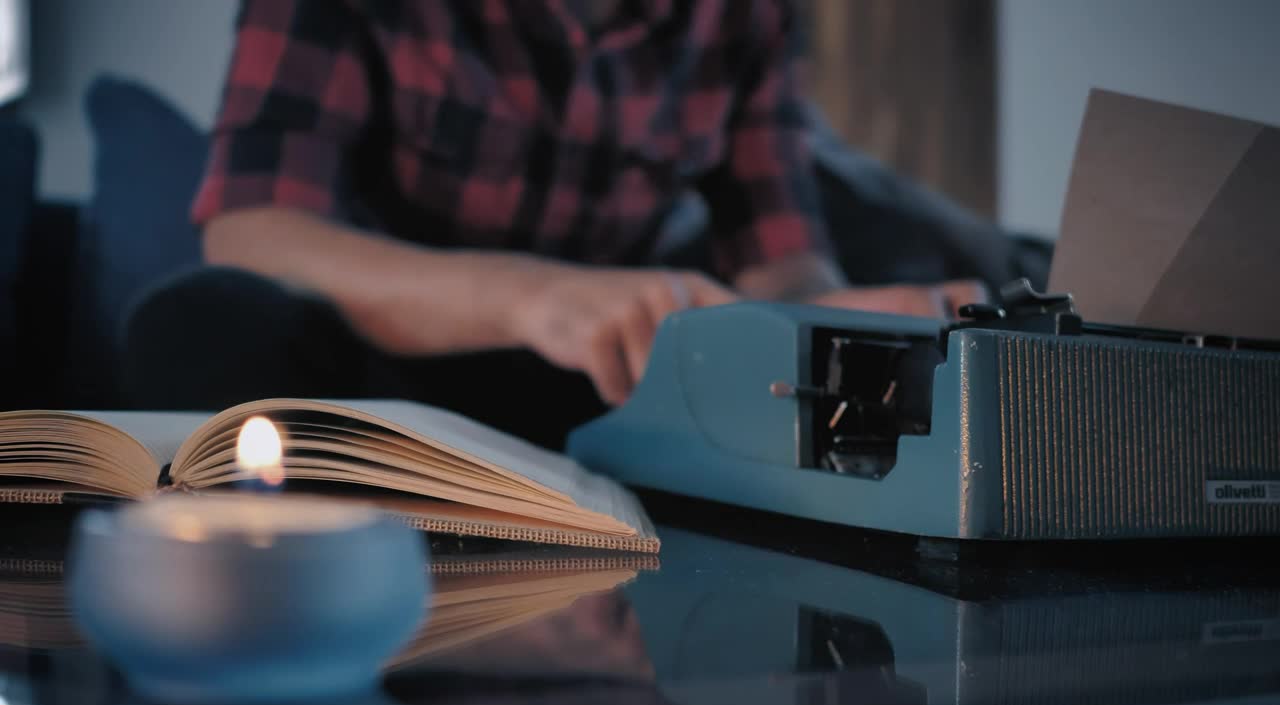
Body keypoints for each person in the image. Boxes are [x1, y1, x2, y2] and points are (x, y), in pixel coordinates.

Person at [121, 0, 995, 449]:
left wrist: (845, 321)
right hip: (387, 365)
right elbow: (253, 229)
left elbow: (781, 265)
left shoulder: (744, 12)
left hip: (605, 379)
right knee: (201, 322)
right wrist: (533, 295)